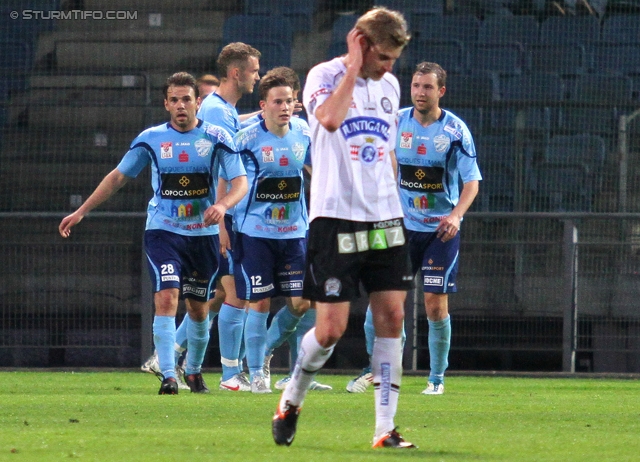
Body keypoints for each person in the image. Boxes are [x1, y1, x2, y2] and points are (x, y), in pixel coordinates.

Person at [271, 7, 417, 449]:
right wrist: (353, 69)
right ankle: (292, 397)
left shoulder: (390, 85)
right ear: (361, 43)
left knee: (392, 318)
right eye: (384, 57)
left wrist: (394, 195)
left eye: (394, 59)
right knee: (331, 330)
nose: (391, 68)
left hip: (385, 219)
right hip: (336, 218)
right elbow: (330, 120)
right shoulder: (324, 75)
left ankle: (384, 429)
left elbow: (385, 148)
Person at [59, 72, 248, 395]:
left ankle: (193, 371)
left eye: (186, 99)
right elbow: (118, 177)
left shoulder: (217, 137)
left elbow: (240, 181)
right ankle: (169, 375)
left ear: (197, 103)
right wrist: (81, 211)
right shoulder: (151, 138)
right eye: (174, 100)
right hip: (163, 232)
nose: (180, 105)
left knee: (198, 310)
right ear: (165, 104)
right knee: (166, 297)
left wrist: (223, 204)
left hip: (201, 236)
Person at [346, 62, 482, 396]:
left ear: (441, 91)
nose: (420, 92)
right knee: (380, 299)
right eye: (416, 86)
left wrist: (456, 216)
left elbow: (472, 182)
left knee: (435, 304)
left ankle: (436, 379)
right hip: (398, 226)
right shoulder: (396, 122)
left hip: (440, 230)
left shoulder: (455, 131)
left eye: (427, 87)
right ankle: (374, 370)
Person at [232, 70, 311, 394]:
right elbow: (229, 180)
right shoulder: (247, 139)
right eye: (278, 101)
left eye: (289, 101)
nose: (285, 107)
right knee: (259, 302)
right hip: (256, 232)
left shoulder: (304, 132)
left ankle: (263, 351)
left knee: (301, 303)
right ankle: (257, 375)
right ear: (263, 105)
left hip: (294, 231)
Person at [199, 42, 262, 392]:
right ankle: (227, 374)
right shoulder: (217, 111)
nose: (258, 76)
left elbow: (235, 127)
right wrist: (223, 223)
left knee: (230, 293)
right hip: (218, 215)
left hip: (221, 213)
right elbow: (224, 170)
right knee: (235, 294)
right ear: (236, 73)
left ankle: (174, 357)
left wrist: (264, 115)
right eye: (253, 70)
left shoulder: (222, 110)